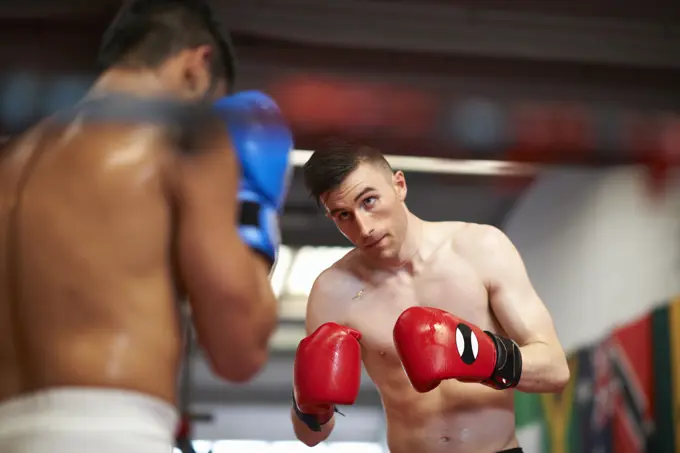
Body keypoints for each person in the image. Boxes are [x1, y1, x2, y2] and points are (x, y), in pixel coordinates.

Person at [0, 1, 292, 452]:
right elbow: (239, 350)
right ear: (198, 65)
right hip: (113, 434)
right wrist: (254, 206)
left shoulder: (12, 159)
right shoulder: (185, 134)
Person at [290, 142, 570, 453]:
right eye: (343, 215)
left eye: (369, 201)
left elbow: (555, 371)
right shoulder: (332, 292)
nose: (364, 228)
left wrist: (485, 355)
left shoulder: (481, 248)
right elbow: (310, 436)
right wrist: (310, 408)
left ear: (399, 185)